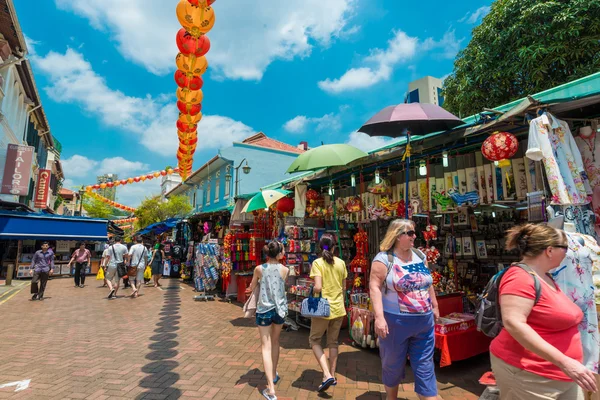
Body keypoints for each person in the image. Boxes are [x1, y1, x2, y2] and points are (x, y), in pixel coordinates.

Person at [490, 223, 598, 399]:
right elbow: (513, 322)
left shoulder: (544, 275)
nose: (568, 253)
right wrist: (564, 362)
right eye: (565, 247)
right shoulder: (520, 277)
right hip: (530, 376)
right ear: (549, 251)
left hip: (560, 374)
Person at [369, 219, 439, 400]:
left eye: (414, 232)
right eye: (409, 233)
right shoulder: (383, 259)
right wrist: (379, 317)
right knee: (392, 364)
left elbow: (428, 282)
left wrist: (435, 305)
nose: (414, 236)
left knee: (425, 366)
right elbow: (374, 287)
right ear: (397, 236)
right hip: (395, 323)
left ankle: (428, 395)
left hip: (424, 322)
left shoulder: (420, 256)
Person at [248, 241, 289, 400]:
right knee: (276, 342)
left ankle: (271, 389)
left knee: (266, 346)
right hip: (279, 310)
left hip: (264, 310)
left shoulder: (259, 269)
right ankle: (273, 375)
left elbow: (251, 287)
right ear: (279, 254)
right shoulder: (285, 270)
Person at [309, 234, 347, 392]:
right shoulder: (341, 263)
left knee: (314, 340)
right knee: (333, 342)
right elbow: (344, 287)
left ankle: (326, 374)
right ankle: (332, 374)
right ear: (333, 247)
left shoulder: (317, 263)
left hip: (322, 308)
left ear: (320, 246)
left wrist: (313, 290)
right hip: (338, 308)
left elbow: (317, 287)